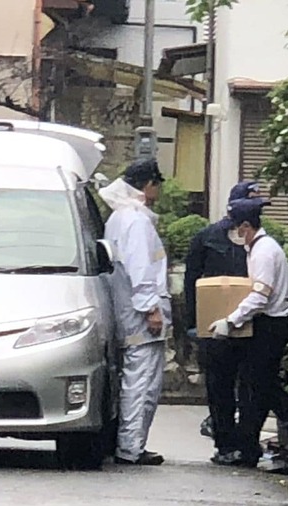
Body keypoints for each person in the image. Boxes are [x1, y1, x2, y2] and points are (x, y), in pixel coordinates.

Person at [209, 196, 288, 468]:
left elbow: (260, 295)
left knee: (256, 389)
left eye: (237, 229)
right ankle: (263, 442)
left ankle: (255, 446)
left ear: (247, 226)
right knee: (258, 387)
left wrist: (231, 320)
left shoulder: (263, 252)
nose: (236, 234)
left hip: (271, 325)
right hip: (268, 324)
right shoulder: (259, 248)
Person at [98, 158, 172, 466]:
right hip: (140, 314)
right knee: (142, 381)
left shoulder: (119, 217)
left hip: (126, 309)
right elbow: (141, 269)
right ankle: (131, 447)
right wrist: (151, 309)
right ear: (148, 185)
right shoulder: (137, 221)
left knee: (133, 379)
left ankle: (129, 444)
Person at [184, 181, 260, 464]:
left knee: (238, 387)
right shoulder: (209, 237)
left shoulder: (257, 241)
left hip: (240, 322)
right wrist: (194, 324)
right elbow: (192, 281)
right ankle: (228, 443)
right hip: (219, 325)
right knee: (225, 386)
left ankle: (237, 444)